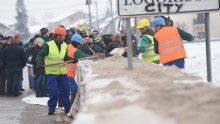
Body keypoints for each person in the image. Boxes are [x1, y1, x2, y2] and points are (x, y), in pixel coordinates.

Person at [36, 26, 71, 115]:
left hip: (62, 72)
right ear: (58, 36)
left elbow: (65, 57)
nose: (65, 37)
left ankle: (68, 109)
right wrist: (39, 62)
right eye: (63, 36)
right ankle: (51, 108)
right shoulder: (48, 45)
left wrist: (72, 59)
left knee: (65, 91)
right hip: (51, 73)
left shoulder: (65, 45)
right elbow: (40, 55)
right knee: (53, 92)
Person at [66, 34, 89, 105]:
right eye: (79, 44)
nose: (79, 46)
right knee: (74, 89)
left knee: (64, 90)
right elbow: (84, 56)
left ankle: (62, 104)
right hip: (69, 73)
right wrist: (95, 57)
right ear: (75, 43)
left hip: (64, 71)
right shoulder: (75, 51)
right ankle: (72, 105)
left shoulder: (67, 47)